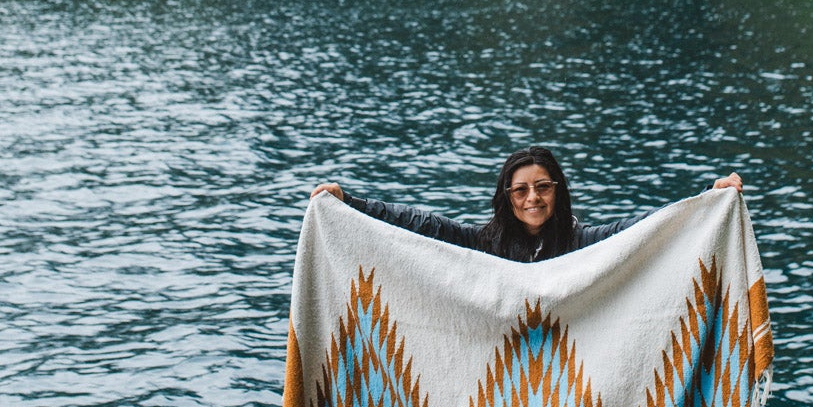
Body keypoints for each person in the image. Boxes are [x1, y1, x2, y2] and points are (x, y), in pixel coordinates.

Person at [310, 144, 744, 264]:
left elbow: (647, 226)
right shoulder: (484, 243)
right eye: (521, 190)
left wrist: (707, 202)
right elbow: (421, 224)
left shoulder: (583, 243)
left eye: (543, 187)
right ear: (507, 198)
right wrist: (351, 202)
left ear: (558, 191)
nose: (533, 198)